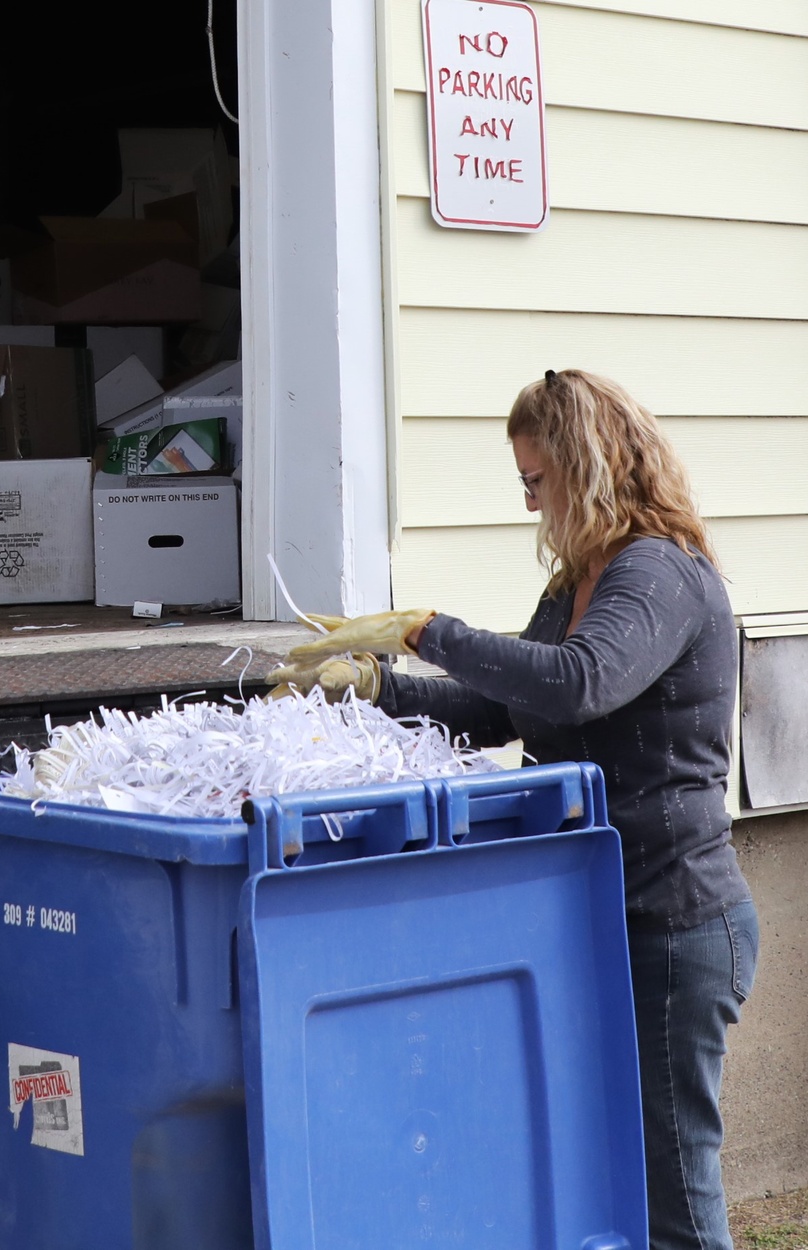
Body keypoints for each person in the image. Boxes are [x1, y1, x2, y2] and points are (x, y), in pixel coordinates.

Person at [269, 368, 759, 1250]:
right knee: (598, 1180)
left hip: (672, 920)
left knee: (675, 1195)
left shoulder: (658, 571)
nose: (532, 504)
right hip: (596, 913)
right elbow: (508, 710)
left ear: (590, 466)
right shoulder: (583, 579)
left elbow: (579, 684)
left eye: (537, 482)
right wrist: (377, 687)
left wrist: (431, 630)